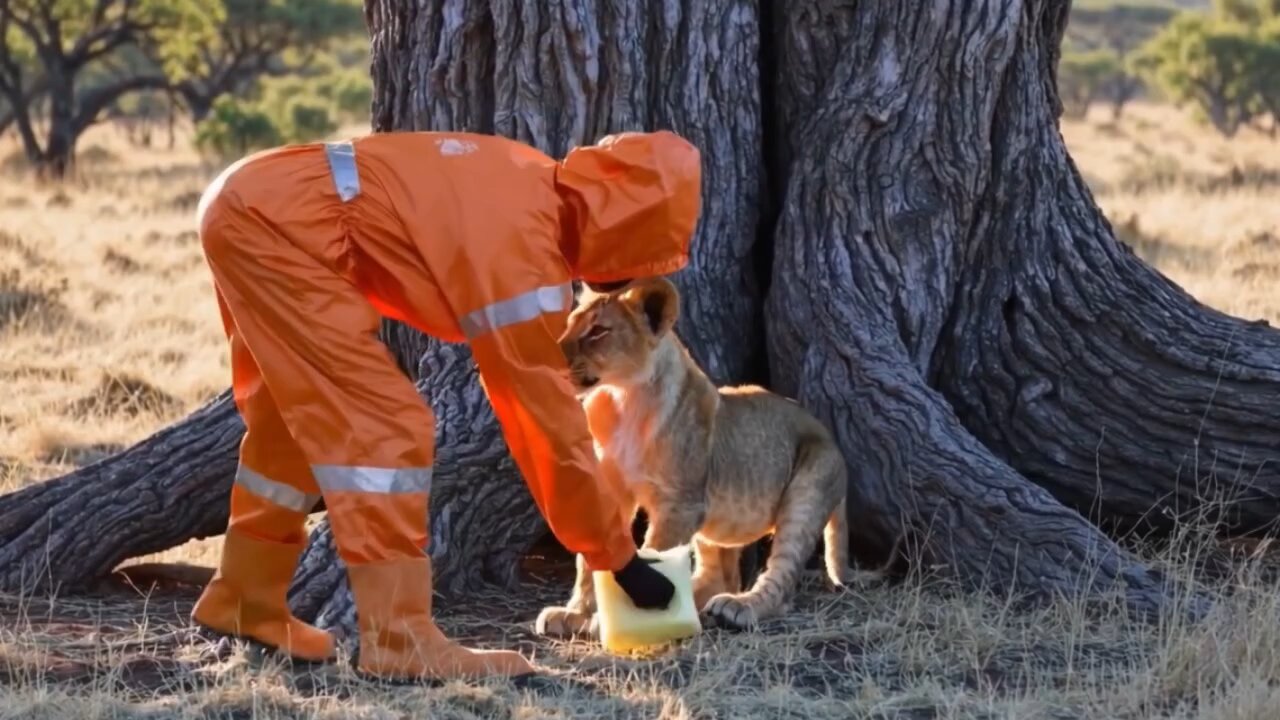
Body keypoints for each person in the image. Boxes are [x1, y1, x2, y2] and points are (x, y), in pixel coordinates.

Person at [190, 128, 701, 681]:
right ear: (622, 233)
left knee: (289, 420)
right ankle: (398, 638)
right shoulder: (523, 253)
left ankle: (244, 596)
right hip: (275, 221)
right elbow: (548, 426)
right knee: (385, 426)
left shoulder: (525, 179)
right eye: (632, 261)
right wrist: (618, 560)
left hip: (249, 197)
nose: (616, 280)